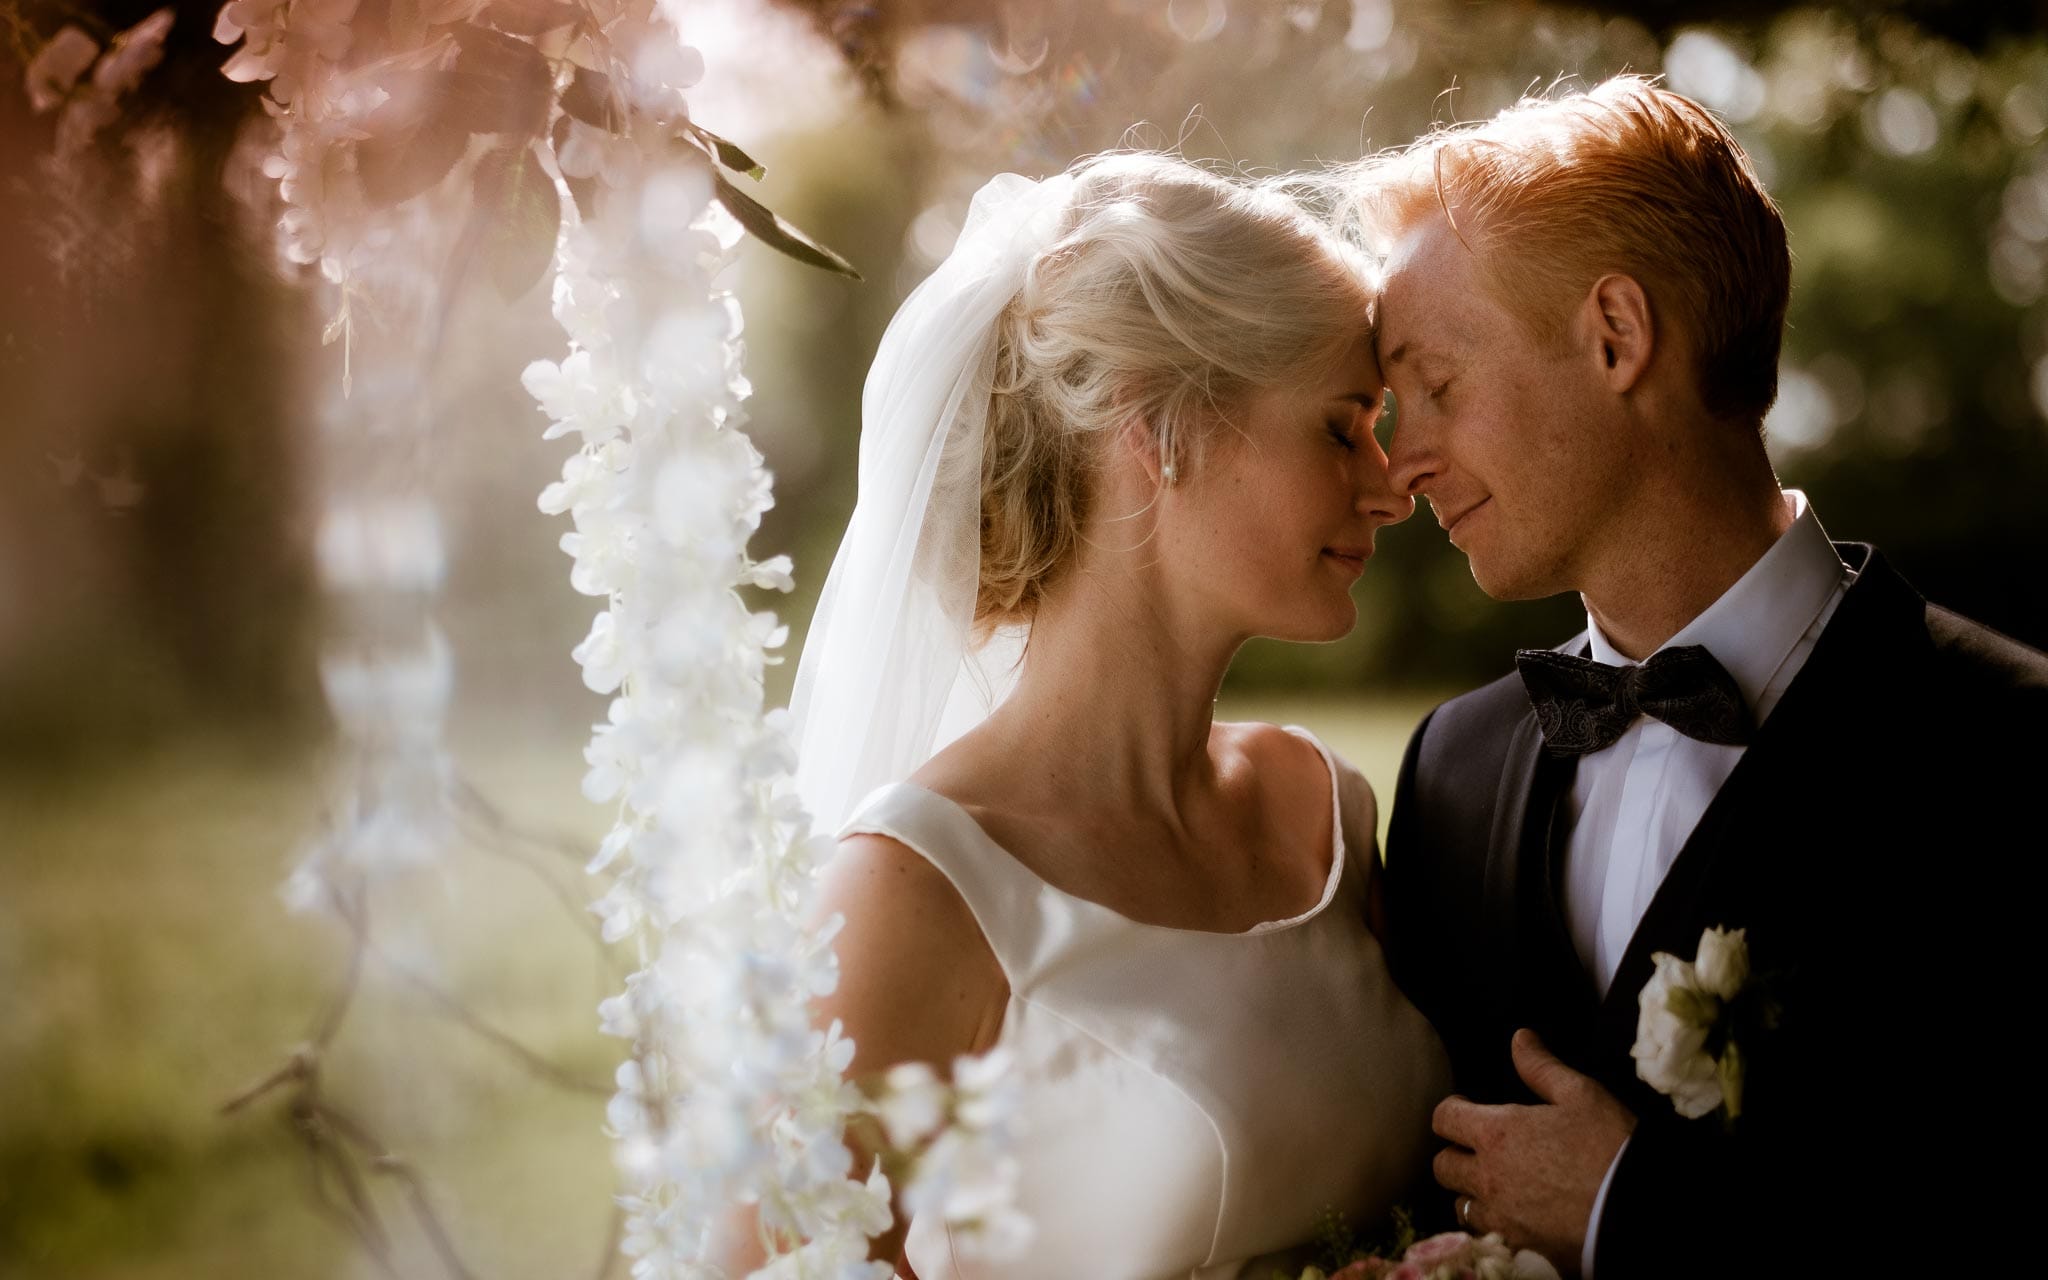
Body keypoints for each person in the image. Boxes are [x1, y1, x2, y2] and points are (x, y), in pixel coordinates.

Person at [1356, 76, 2048, 1277]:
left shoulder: (2011, 750)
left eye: (1437, 385)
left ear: (1615, 336)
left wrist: (1640, 1207)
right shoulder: (1448, 774)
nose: (1402, 460)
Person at [776, 152, 1452, 1278]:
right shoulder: (912, 891)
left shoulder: (1322, 812)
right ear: (1160, 427)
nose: (1391, 484)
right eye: (1342, 427)